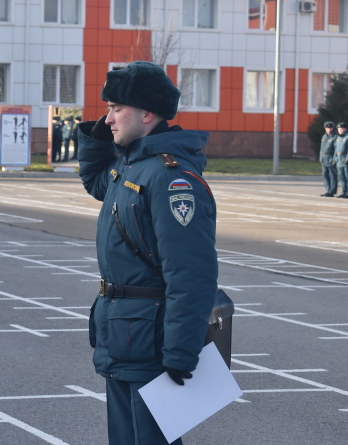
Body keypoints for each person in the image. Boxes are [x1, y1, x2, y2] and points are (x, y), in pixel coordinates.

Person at [76, 61, 218, 445]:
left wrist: (181, 351)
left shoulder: (171, 179)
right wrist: (98, 135)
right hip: (123, 336)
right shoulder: (132, 167)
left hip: (152, 342)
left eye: (116, 108)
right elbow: (94, 180)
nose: (108, 119)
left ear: (147, 113)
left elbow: (191, 273)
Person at [320, 121, 338, 197]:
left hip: (330, 157)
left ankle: (332, 191)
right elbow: (321, 148)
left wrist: (334, 159)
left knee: (332, 175)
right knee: (325, 175)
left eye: (331, 128)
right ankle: (327, 190)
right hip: (324, 158)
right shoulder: (324, 137)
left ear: (333, 128)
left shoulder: (335, 136)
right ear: (325, 128)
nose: (329, 129)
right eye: (327, 128)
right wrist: (320, 158)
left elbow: (336, 149)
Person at [335, 121, 348, 198]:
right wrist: (335, 158)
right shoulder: (338, 137)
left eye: (342, 128)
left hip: (345, 159)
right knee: (342, 177)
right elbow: (336, 149)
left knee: (347, 177)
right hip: (339, 159)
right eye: (339, 128)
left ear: (346, 129)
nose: (341, 130)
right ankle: (344, 192)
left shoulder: (347, 137)